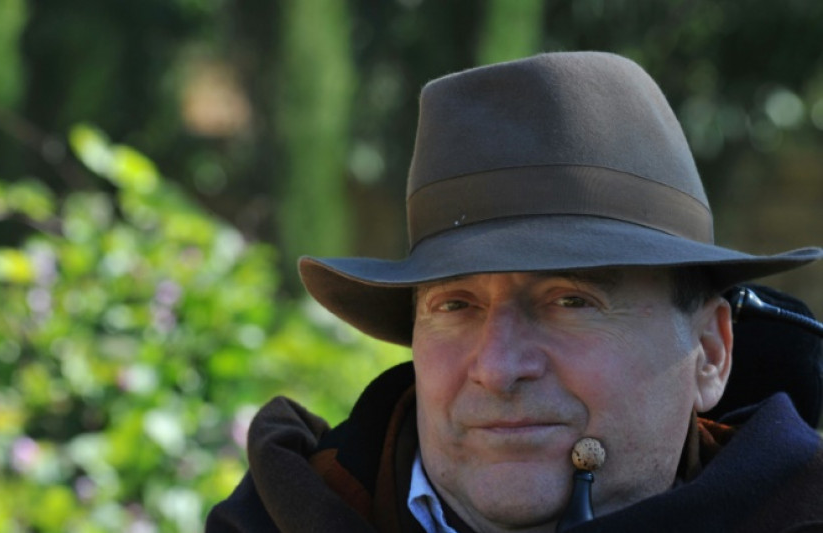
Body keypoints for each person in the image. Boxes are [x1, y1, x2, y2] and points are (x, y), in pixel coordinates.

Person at [206, 52, 823, 532]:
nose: (499, 369)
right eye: (455, 305)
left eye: (572, 302)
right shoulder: (278, 520)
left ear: (710, 353)